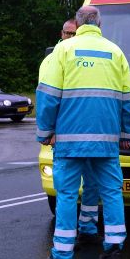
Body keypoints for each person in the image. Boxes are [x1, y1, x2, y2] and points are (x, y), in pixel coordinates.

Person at [36, 5, 130, 259]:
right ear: (100, 24)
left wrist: (45, 132)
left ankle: (62, 257)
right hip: (106, 141)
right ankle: (114, 249)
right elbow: (127, 99)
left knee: (67, 195)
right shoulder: (116, 52)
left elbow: (47, 95)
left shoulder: (63, 51)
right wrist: (127, 133)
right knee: (112, 192)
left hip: (69, 141)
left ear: (78, 24)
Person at [39, 19, 102, 246]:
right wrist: (49, 131)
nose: (71, 37)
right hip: (64, 135)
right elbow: (47, 98)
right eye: (68, 33)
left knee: (92, 184)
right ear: (61, 34)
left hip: (88, 133)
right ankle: (68, 235)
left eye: (75, 33)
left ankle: (87, 227)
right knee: (67, 189)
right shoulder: (53, 58)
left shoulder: (84, 56)